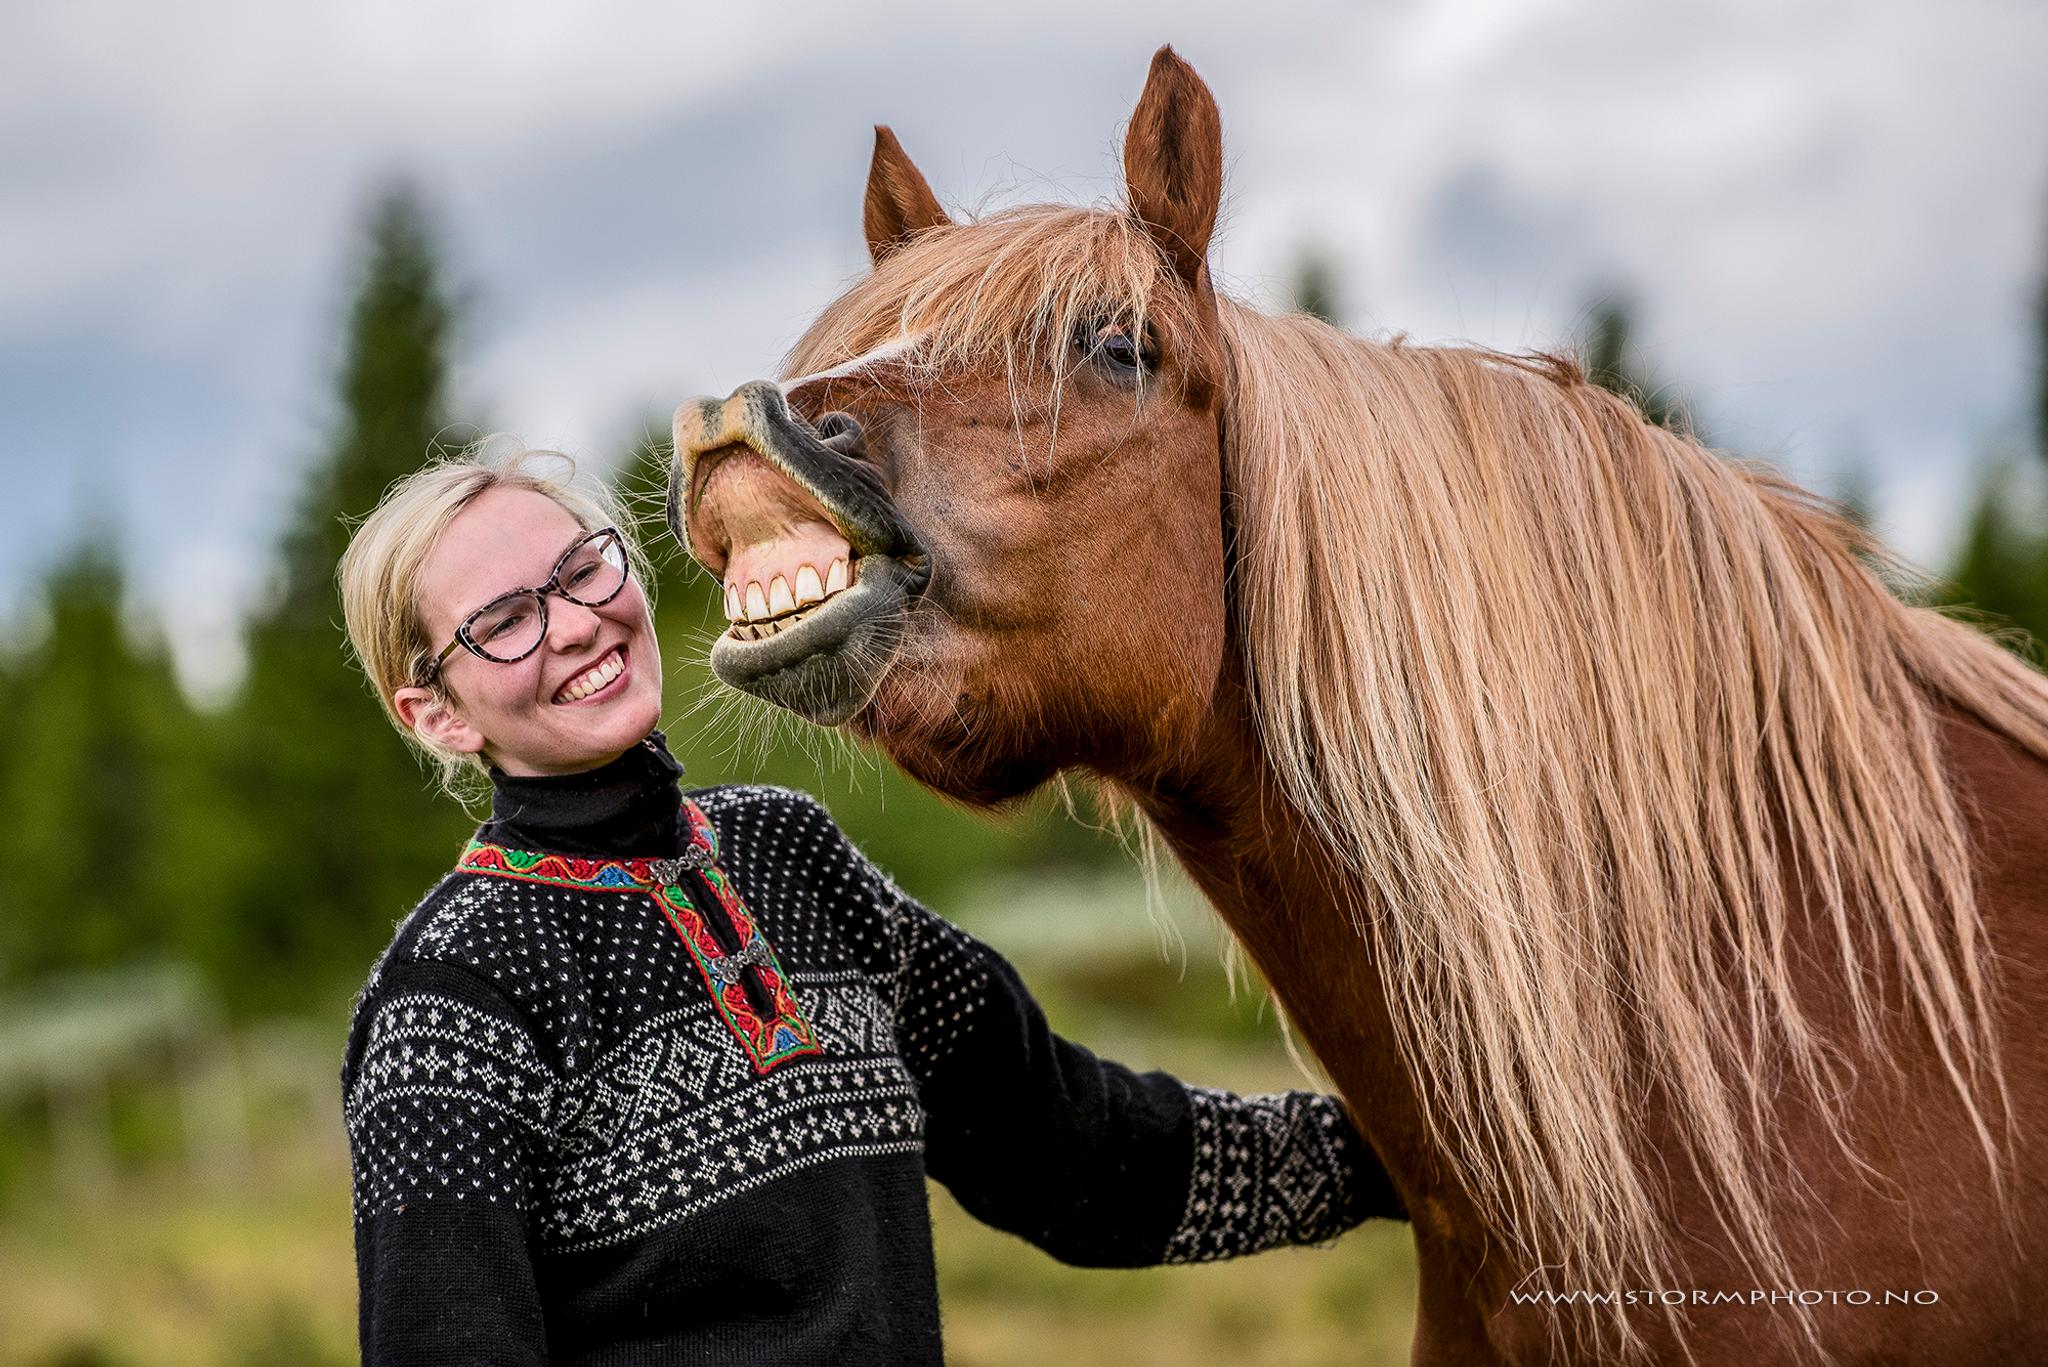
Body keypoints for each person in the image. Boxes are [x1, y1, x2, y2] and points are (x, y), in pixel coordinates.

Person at [335, 441, 1402, 1366]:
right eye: (505, 621)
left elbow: (1070, 1147)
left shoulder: (788, 854)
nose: (574, 622)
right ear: (434, 712)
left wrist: (1398, 1156)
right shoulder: (449, 1004)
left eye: (581, 568)